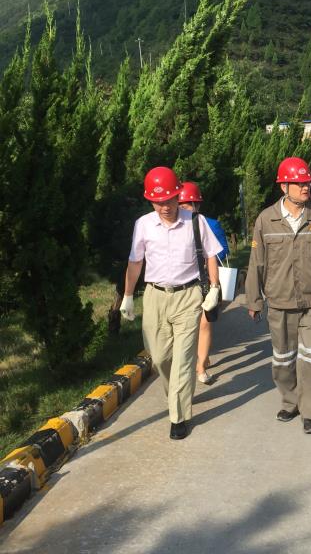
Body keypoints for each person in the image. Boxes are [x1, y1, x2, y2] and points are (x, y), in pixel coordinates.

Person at [244, 157, 311, 435]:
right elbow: (257, 262)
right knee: (283, 359)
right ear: (284, 186)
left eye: (307, 183)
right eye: (299, 183)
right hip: (280, 302)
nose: (306, 187)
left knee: (310, 357)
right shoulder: (266, 220)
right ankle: (290, 401)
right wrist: (254, 300)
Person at [120, 166, 222, 440]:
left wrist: (214, 287)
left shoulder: (195, 221)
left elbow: (211, 254)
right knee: (160, 357)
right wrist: (128, 295)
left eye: (169, 200)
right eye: (158, 201)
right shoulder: (143, 225)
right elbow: (135, 261)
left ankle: (178, 417)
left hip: (188, 296)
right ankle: (178, 393)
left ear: (178, 195)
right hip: (155, 296)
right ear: (150, 200)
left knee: (183, 359)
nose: (165, 207)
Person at [177, 181, 230, 385]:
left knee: (204, 323)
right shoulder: (173, 227)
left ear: (196, 205)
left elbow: (224, 249)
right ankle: (196, 358)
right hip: (184, 283)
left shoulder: (210, 224)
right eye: (180, 205)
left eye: (186, 205)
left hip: (207, 281)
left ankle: (201, 367)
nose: (182, 209)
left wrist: (208, 260)